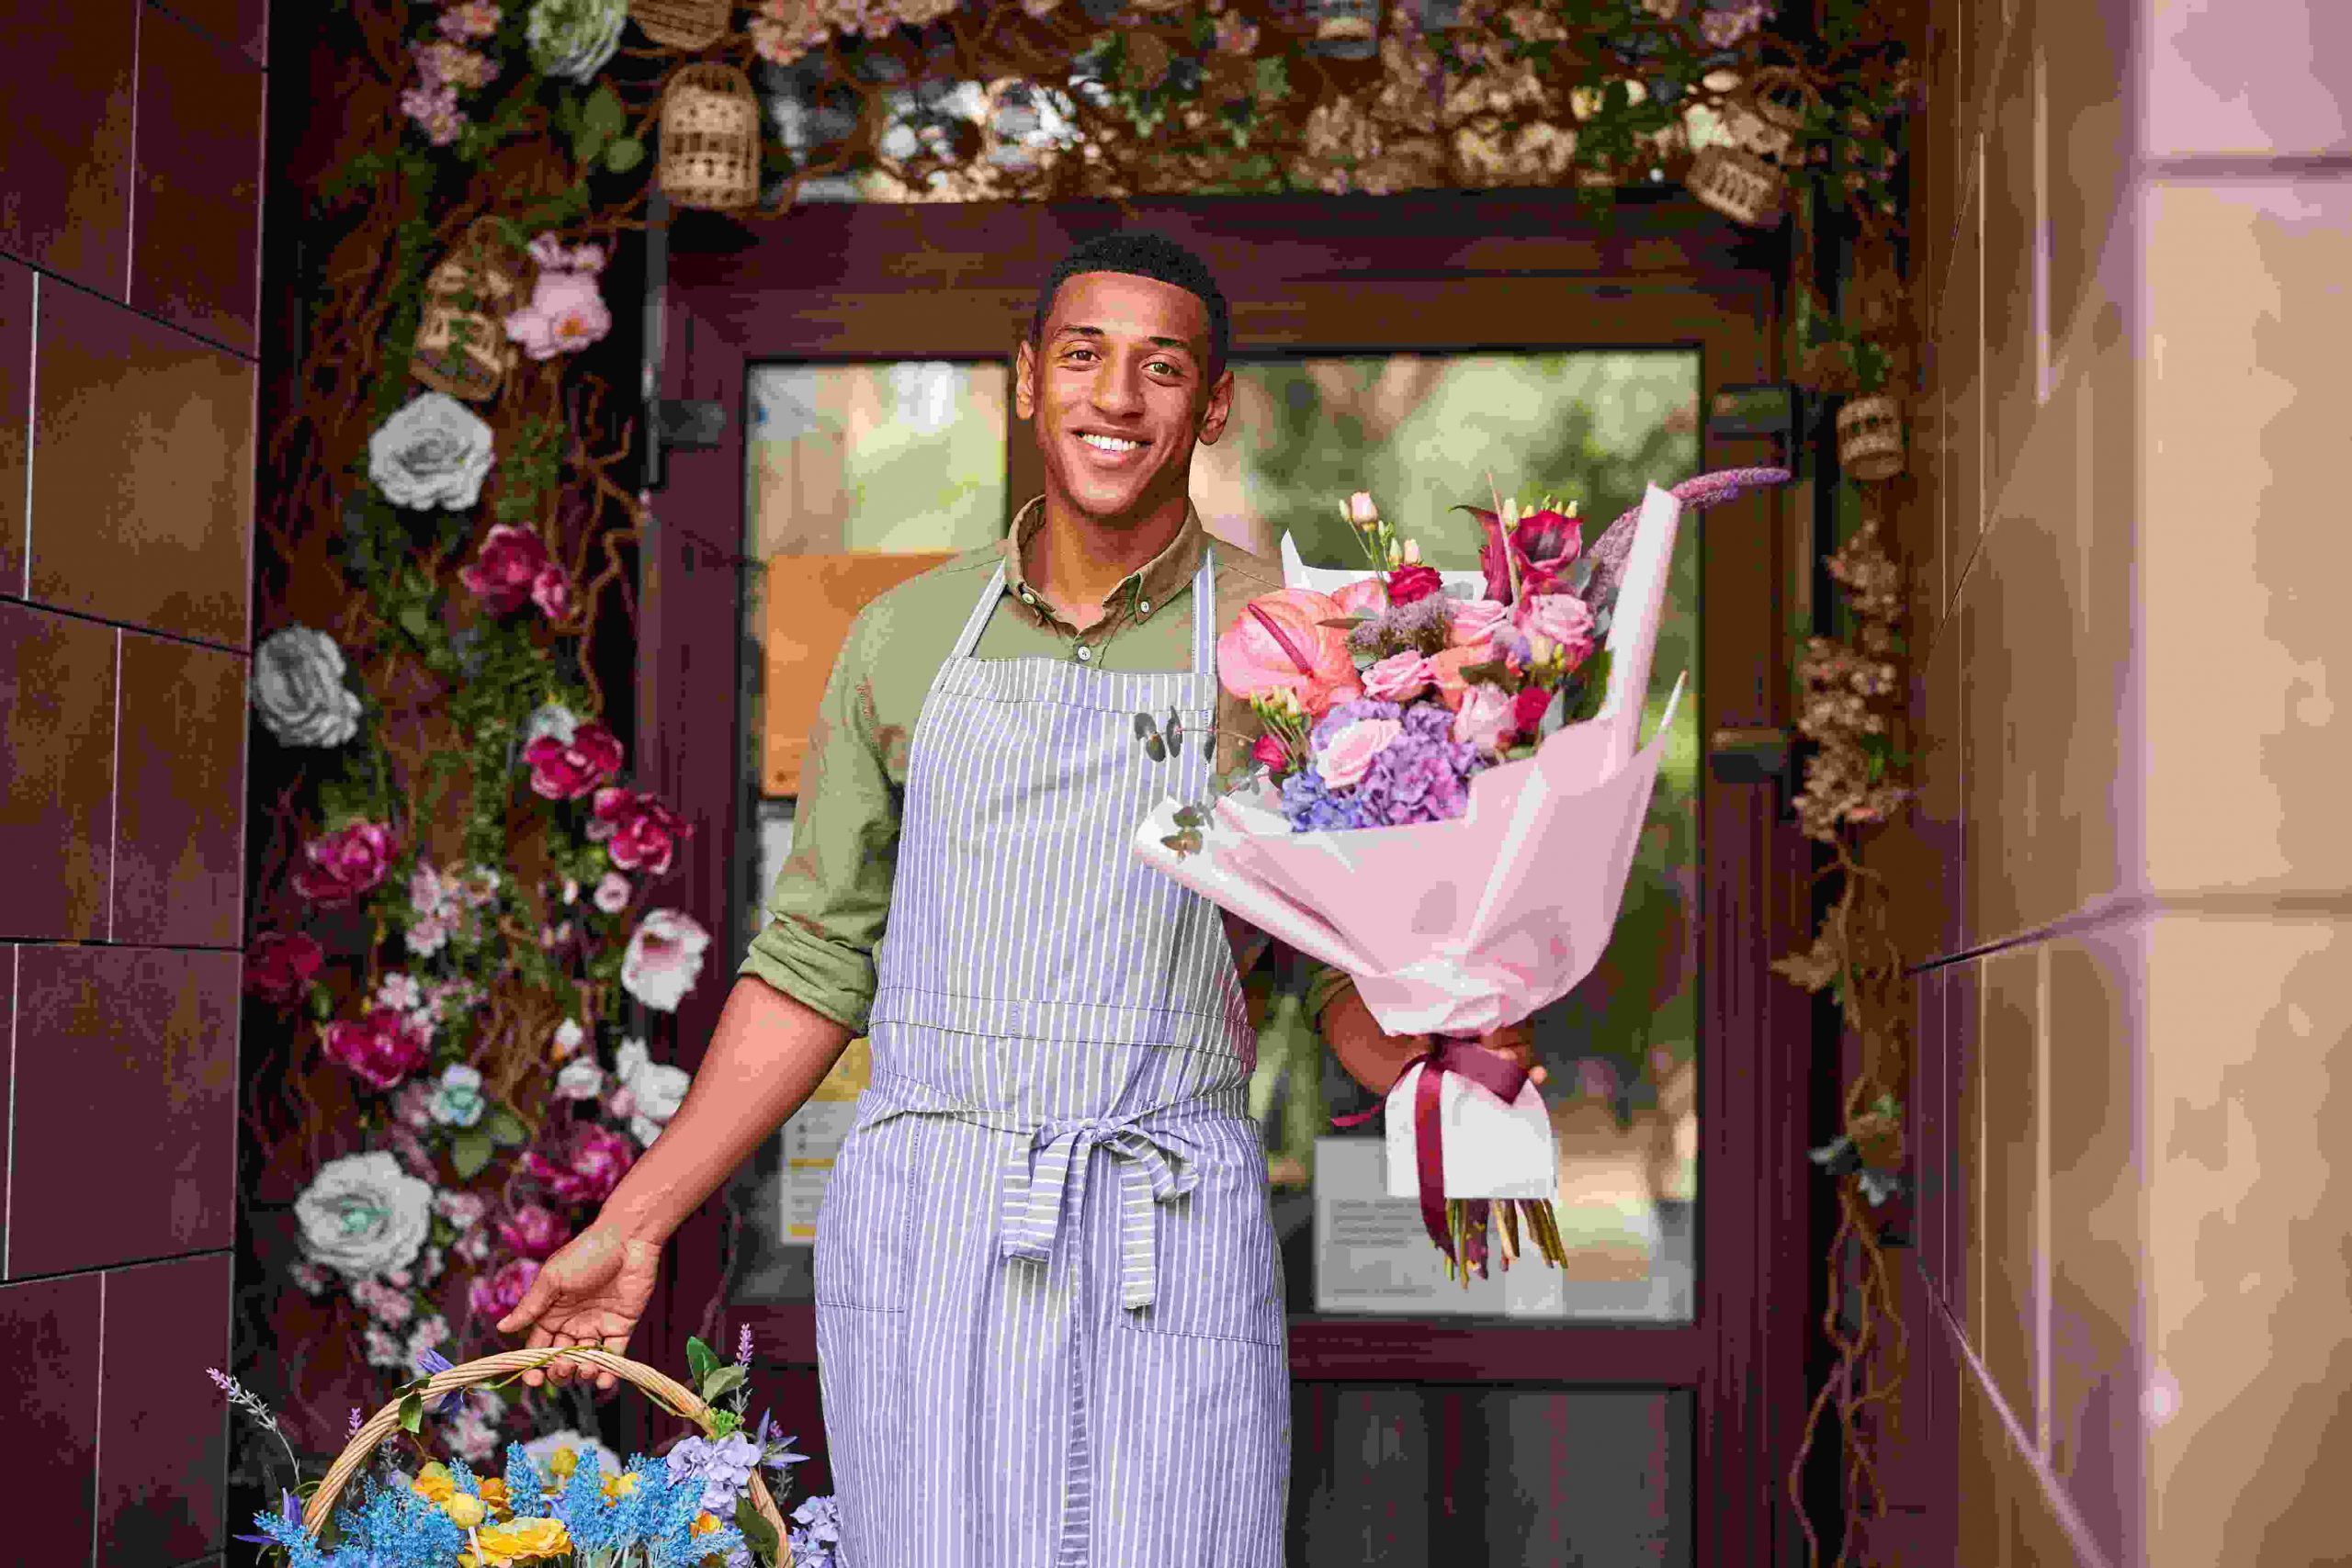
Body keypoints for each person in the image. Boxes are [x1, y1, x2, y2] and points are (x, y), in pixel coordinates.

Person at [498, 231, 1542, 1564]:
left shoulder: (1298, 639)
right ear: (1027, 381)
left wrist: (1453, 1061)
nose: (1119, 398)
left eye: (1162, 367)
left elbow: (1338, 964)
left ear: (1212, 403)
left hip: (1170, 1206)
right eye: (1085, 357)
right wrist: (632, 1222)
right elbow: (817, 960)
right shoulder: (906, 636)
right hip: (931, 1210)